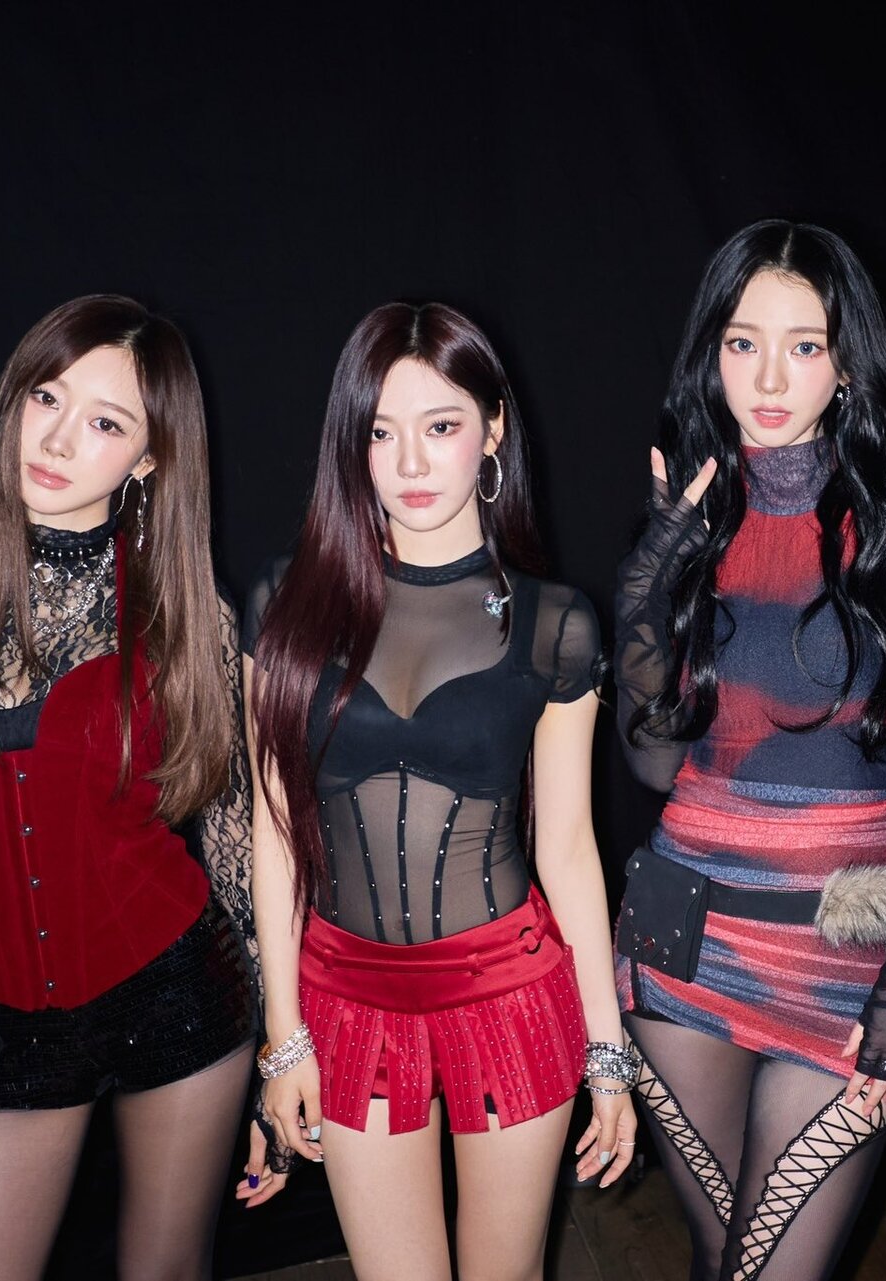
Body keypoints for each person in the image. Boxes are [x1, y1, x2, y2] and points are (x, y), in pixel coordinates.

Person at [0, 294, 284, 1279]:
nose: (56, 439)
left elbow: (237, 855)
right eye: (46, 397)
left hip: (180, 997)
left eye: (105, 422)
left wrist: (278, 1063)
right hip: (2, 1031)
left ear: (149, 459)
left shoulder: (191, 618)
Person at [242, 301, 635, 1281]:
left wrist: (608, 1050)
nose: (410, 462)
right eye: (381, 432)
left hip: (508, 991)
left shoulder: (555, 623)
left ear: (493, 430)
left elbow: (569, 847)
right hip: (346, 998)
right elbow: (274, 831)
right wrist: (282, 1037)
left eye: (441, 425)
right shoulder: (285, 603)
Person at [611, 219, 886, 1281]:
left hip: (841, 963)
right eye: (742, 342)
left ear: (848, 364)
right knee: (721, 1259)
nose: (768, 378)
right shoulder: (693, 515)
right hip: (684, 942)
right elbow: (653, 769)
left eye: (805, 346)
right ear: (711, 353)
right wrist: (648, 589)